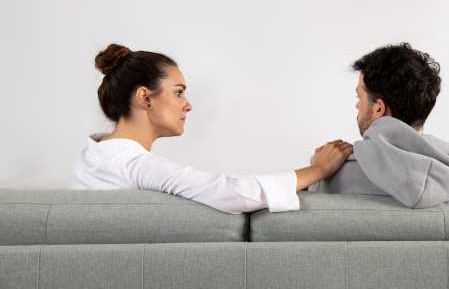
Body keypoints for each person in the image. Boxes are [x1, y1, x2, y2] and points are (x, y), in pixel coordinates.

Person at [68, 43, 353, 214]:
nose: (188, 105)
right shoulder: (133, 164)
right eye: (178, 92)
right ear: (145, 97)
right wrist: (319, 170)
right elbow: (234, 194)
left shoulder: (92, 157)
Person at [308, 43, 449, 208]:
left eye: (359, 97)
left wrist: (315, 171)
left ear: (378, 108)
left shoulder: (333, 177)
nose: (357, 105)